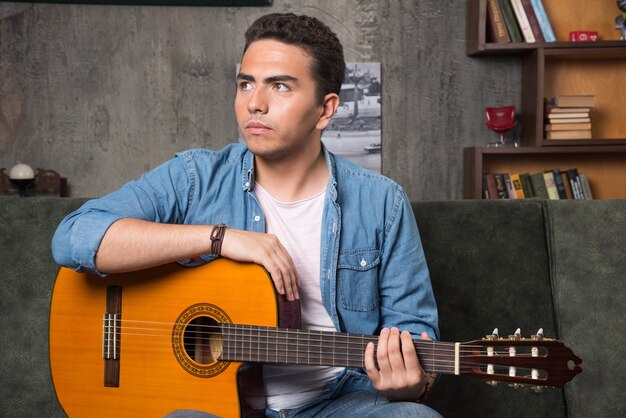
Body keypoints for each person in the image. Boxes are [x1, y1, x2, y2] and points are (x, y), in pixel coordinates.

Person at [52, 13, 440, 418]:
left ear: (325, 110)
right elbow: (74, 235)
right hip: (212, 410)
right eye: (246, 83)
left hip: (339, 403)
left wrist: (412, 382)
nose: (255, 102)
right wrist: (219, 238)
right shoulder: (194, 177)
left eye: (280, 86)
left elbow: (415, 334)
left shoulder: (382, 202)